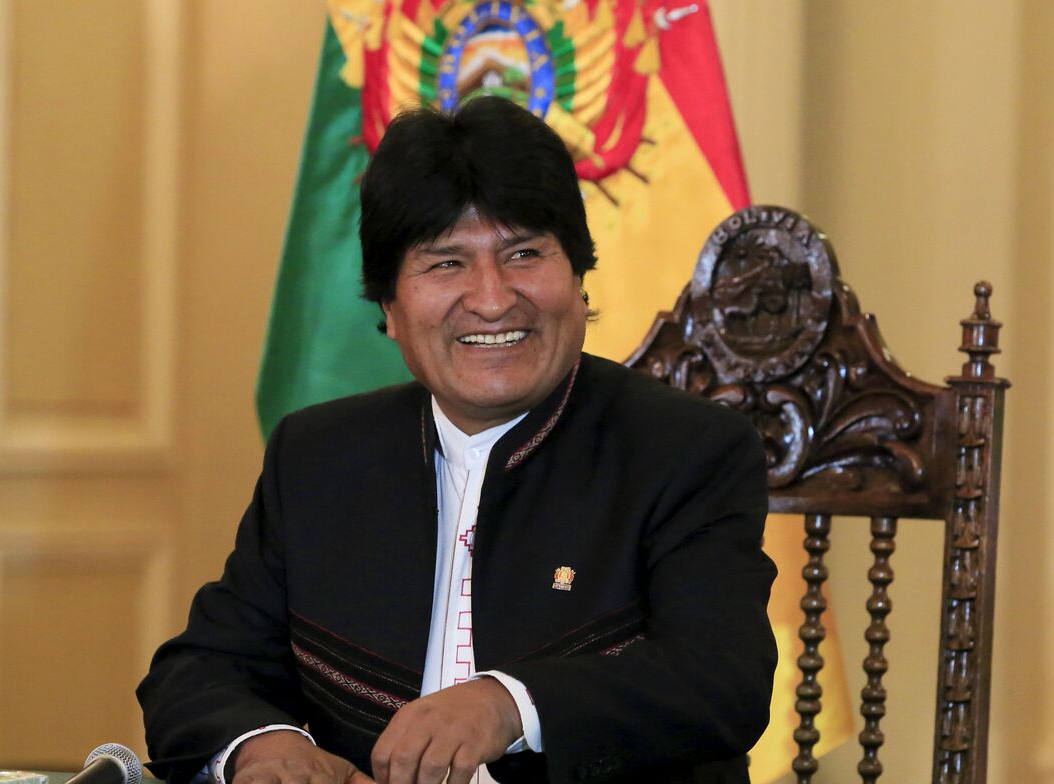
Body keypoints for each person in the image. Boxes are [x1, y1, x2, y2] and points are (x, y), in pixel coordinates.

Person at [138, 95, 776, 784]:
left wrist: (510, 704)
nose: (493, 299)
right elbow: (202, 667)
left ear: (579, 278)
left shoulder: (686, 450)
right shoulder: (317, 456)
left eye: (524, 253)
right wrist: (265, 747)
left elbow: (719, 678)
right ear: (389, 307)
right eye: (446, 263)